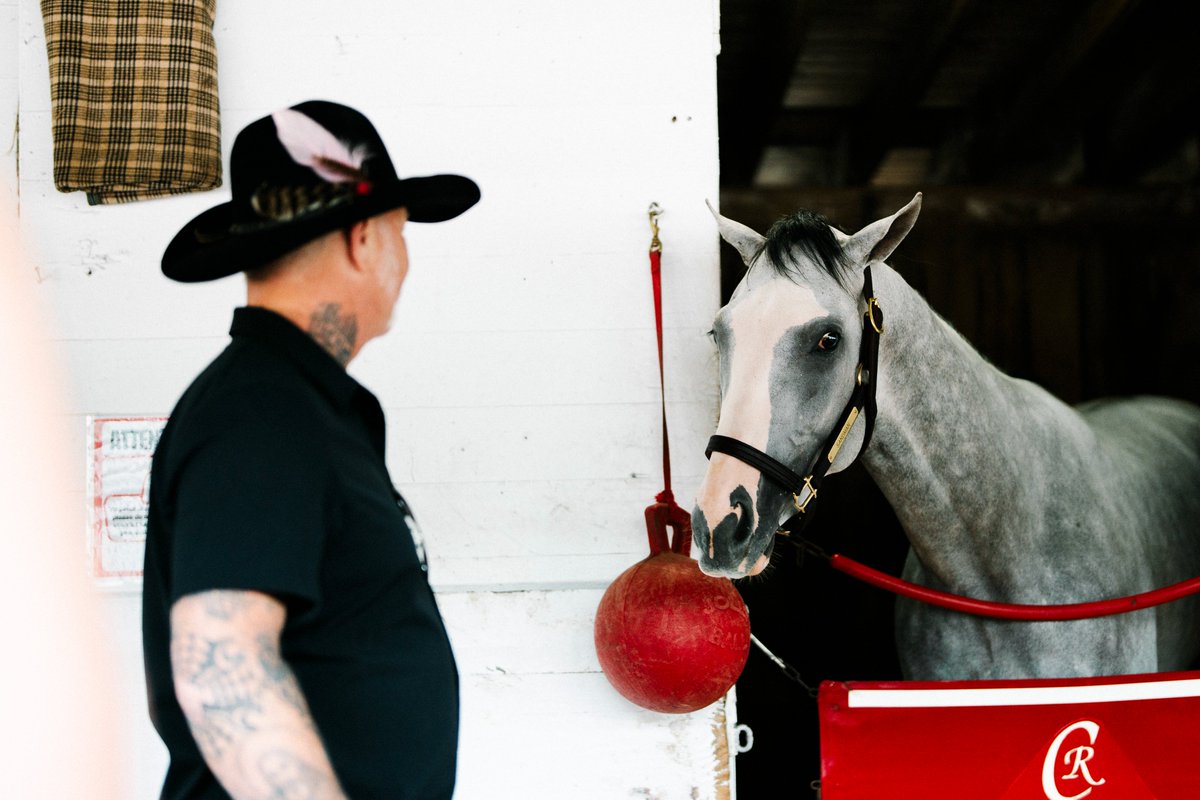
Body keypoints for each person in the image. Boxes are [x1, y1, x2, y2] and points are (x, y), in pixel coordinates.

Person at [141, 100, 480, 800]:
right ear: (364, 239)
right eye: (399, 232)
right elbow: (221, 670)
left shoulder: (293, 405)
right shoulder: (260, 412)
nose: (404, 259)